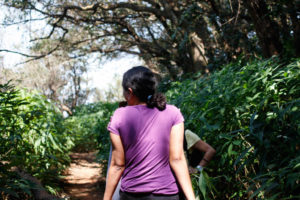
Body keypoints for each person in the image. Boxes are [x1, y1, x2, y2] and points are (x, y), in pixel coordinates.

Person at [103, 66, 195, 200]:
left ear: (130, 91)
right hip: (167, 195)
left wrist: (106, 198)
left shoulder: (119, 116)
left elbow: (118, 165)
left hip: (132, 195)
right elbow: (177, 159)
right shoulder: (173, 113)